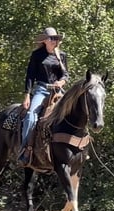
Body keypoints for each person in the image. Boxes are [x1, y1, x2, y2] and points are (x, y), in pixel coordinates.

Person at [18, 27, 69, 165]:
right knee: (30, 117)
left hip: (58, 91)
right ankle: (25, 150)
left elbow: (65, 75)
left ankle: (76, 149)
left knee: (73, 111)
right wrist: (27, 95)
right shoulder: (37, 55)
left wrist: (61, 82)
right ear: (45, 40)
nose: (55, 41)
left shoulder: (61, 55)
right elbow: (30, 75)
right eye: (52, 38)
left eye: (56, 38)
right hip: (41, 89)